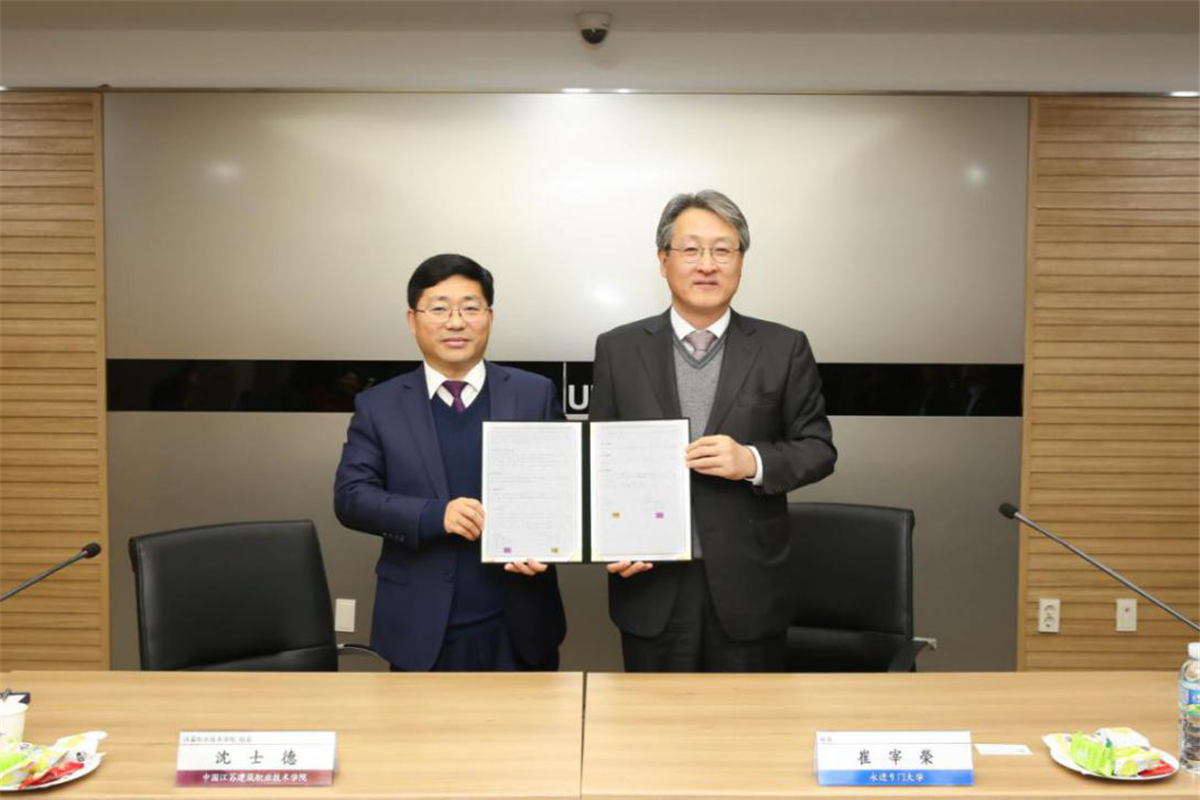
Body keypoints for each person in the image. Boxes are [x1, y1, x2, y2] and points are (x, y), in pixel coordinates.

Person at [589, 190, 836, 672]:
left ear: (741, 260)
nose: (707, 265)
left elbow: (817, 449)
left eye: (723, 250)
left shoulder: (783, 347)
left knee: (746, 719)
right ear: (663, 260)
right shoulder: (618, 348)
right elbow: (599, 458)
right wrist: (612, 538)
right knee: (653, 716)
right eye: (691, 249)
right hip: (651, 581)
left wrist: (752, 461)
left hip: (750, 584)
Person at [334, 253, 566, 671]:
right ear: (413, 320)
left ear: (489, 317)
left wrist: (548, 543)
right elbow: (352, 498)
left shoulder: (534, 393)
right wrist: (434, 515)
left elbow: (567, 488)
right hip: (418, 624)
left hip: (521, 622)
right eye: (439, 309)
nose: (455, 322)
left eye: (470, 308)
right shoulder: (379, 405)